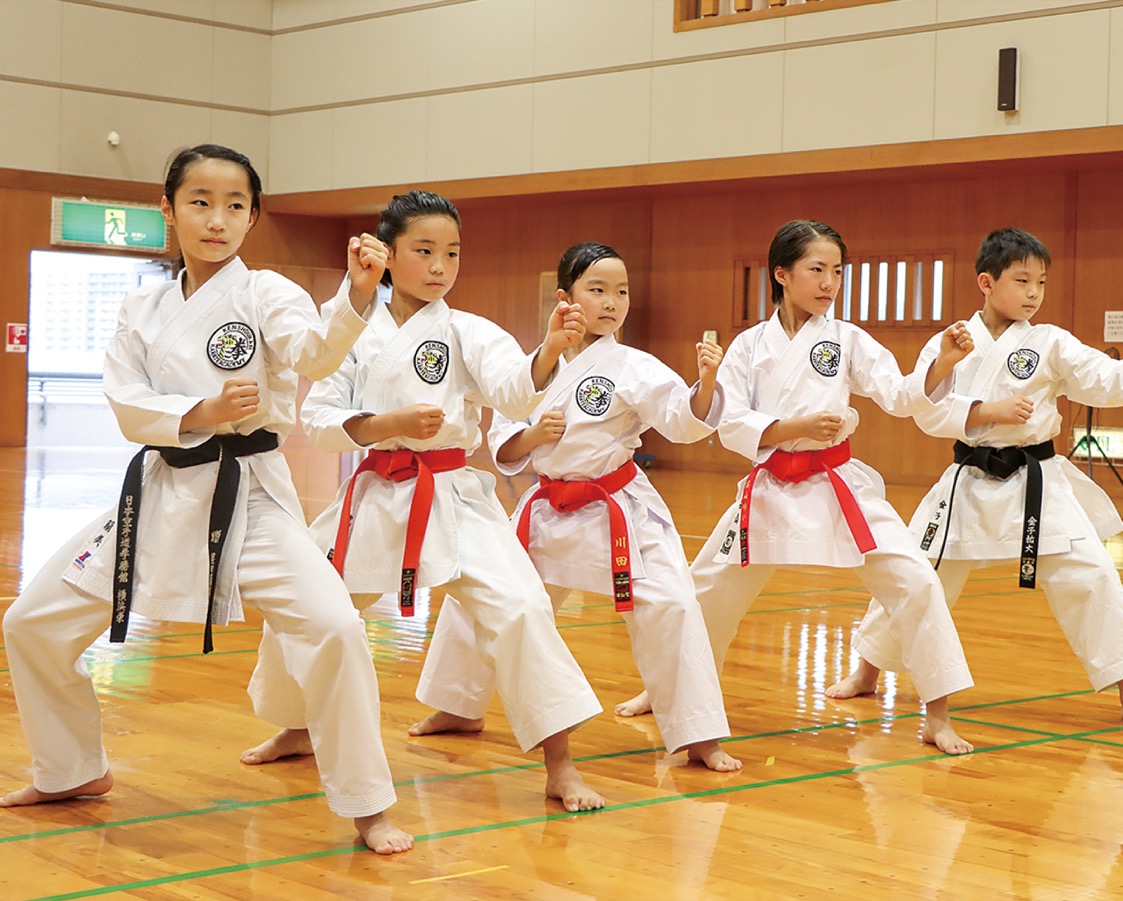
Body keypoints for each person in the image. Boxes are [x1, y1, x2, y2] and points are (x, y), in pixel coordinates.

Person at [0, 144, 412, 854]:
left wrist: (357, 294)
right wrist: (201, 408)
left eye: (234, 205)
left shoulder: (268, 294)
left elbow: (313, 351)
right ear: (168, 209)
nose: (216, 219)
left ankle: (368, 804)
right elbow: (128, 403)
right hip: (158, 495)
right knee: (32, 622)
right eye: (199, 202)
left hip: (248, 499)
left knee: (335, 628)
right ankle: (71, 769)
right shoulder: (142, 304)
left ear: (253, 217)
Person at [241, 190, 607, 812]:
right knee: (306, 606)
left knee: (521, 608)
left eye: (452, 253)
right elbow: (320, 418)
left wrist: (546, 351)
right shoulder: (351, 331)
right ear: (387, 256)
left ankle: (560, 762)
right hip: (375, 494)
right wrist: (389, 423)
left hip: (454, 495)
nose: (441, 267)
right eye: (425, 251)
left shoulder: (469, 330)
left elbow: (515, 394)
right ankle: (299, 724)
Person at [827, 227, 1123, 731]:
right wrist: (986, 410)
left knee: (1093, 575)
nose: (1034, 293)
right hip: (967, 480)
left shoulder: (1050, 341)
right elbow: (927, 410)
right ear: (986, 281)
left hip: (1036, 481)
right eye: (1022, 280)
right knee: (916, 573)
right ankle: (867, 670)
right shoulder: (953, 340)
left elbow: (1101, 381)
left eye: (1041, 282)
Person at [682, 219, 978, 755]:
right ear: (781, 274)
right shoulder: (748, 346)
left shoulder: (847, 339)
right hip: (770, 486)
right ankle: (671, 693)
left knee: (915, 580)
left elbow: (900, 395)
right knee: (703, 593)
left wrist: (941, 366)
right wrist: (794, 430)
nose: (829, 283)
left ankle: (937, 714)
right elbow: (728, 424)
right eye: (816, 270)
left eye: (837, 271)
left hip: (838, 484)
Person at [472, 241, 738, 771]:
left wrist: (705, 385)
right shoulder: (533, 365)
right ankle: (457, 703)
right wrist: (532, 436)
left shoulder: (635, 365)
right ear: (565, 297)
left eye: (621, 291)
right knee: (489, 597)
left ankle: (698, 733)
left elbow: (682, 419)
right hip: (547, 508)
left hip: (616, 506)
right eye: (598, 290)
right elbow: (502, 438)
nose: (612, 302)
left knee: (673, 603)